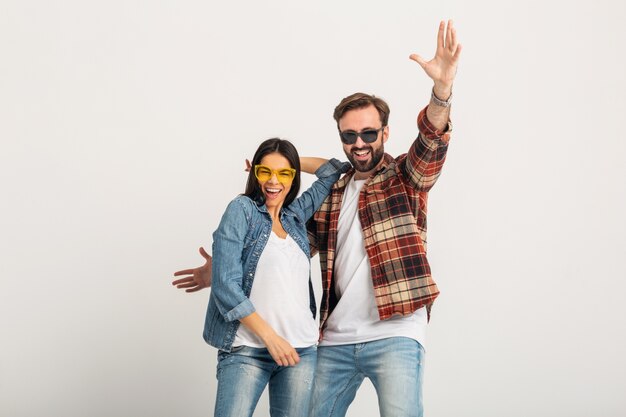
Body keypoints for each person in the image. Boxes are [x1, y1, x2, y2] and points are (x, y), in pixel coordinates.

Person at [174, 20, 461, 417]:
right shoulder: (331, 194)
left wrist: (442, 91)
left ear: (385, 133)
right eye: (349, 136)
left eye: (368, 133)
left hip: (396, 330)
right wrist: (225, 266)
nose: (359, 143)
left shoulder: (405, 177)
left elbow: (431, 141)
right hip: (333, 337)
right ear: (341, 137)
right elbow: (283, 249)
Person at [175, 137, 347, 417]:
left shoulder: (294, 216)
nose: (273, 181)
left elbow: (332, 170)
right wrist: (270, 337)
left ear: (292, 177)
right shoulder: (242, 210)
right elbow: (226, 287)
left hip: (300, 351)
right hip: (249, 349)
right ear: (255, 174)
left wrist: (290, 161)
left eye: (283, 173)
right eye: (265, 171)